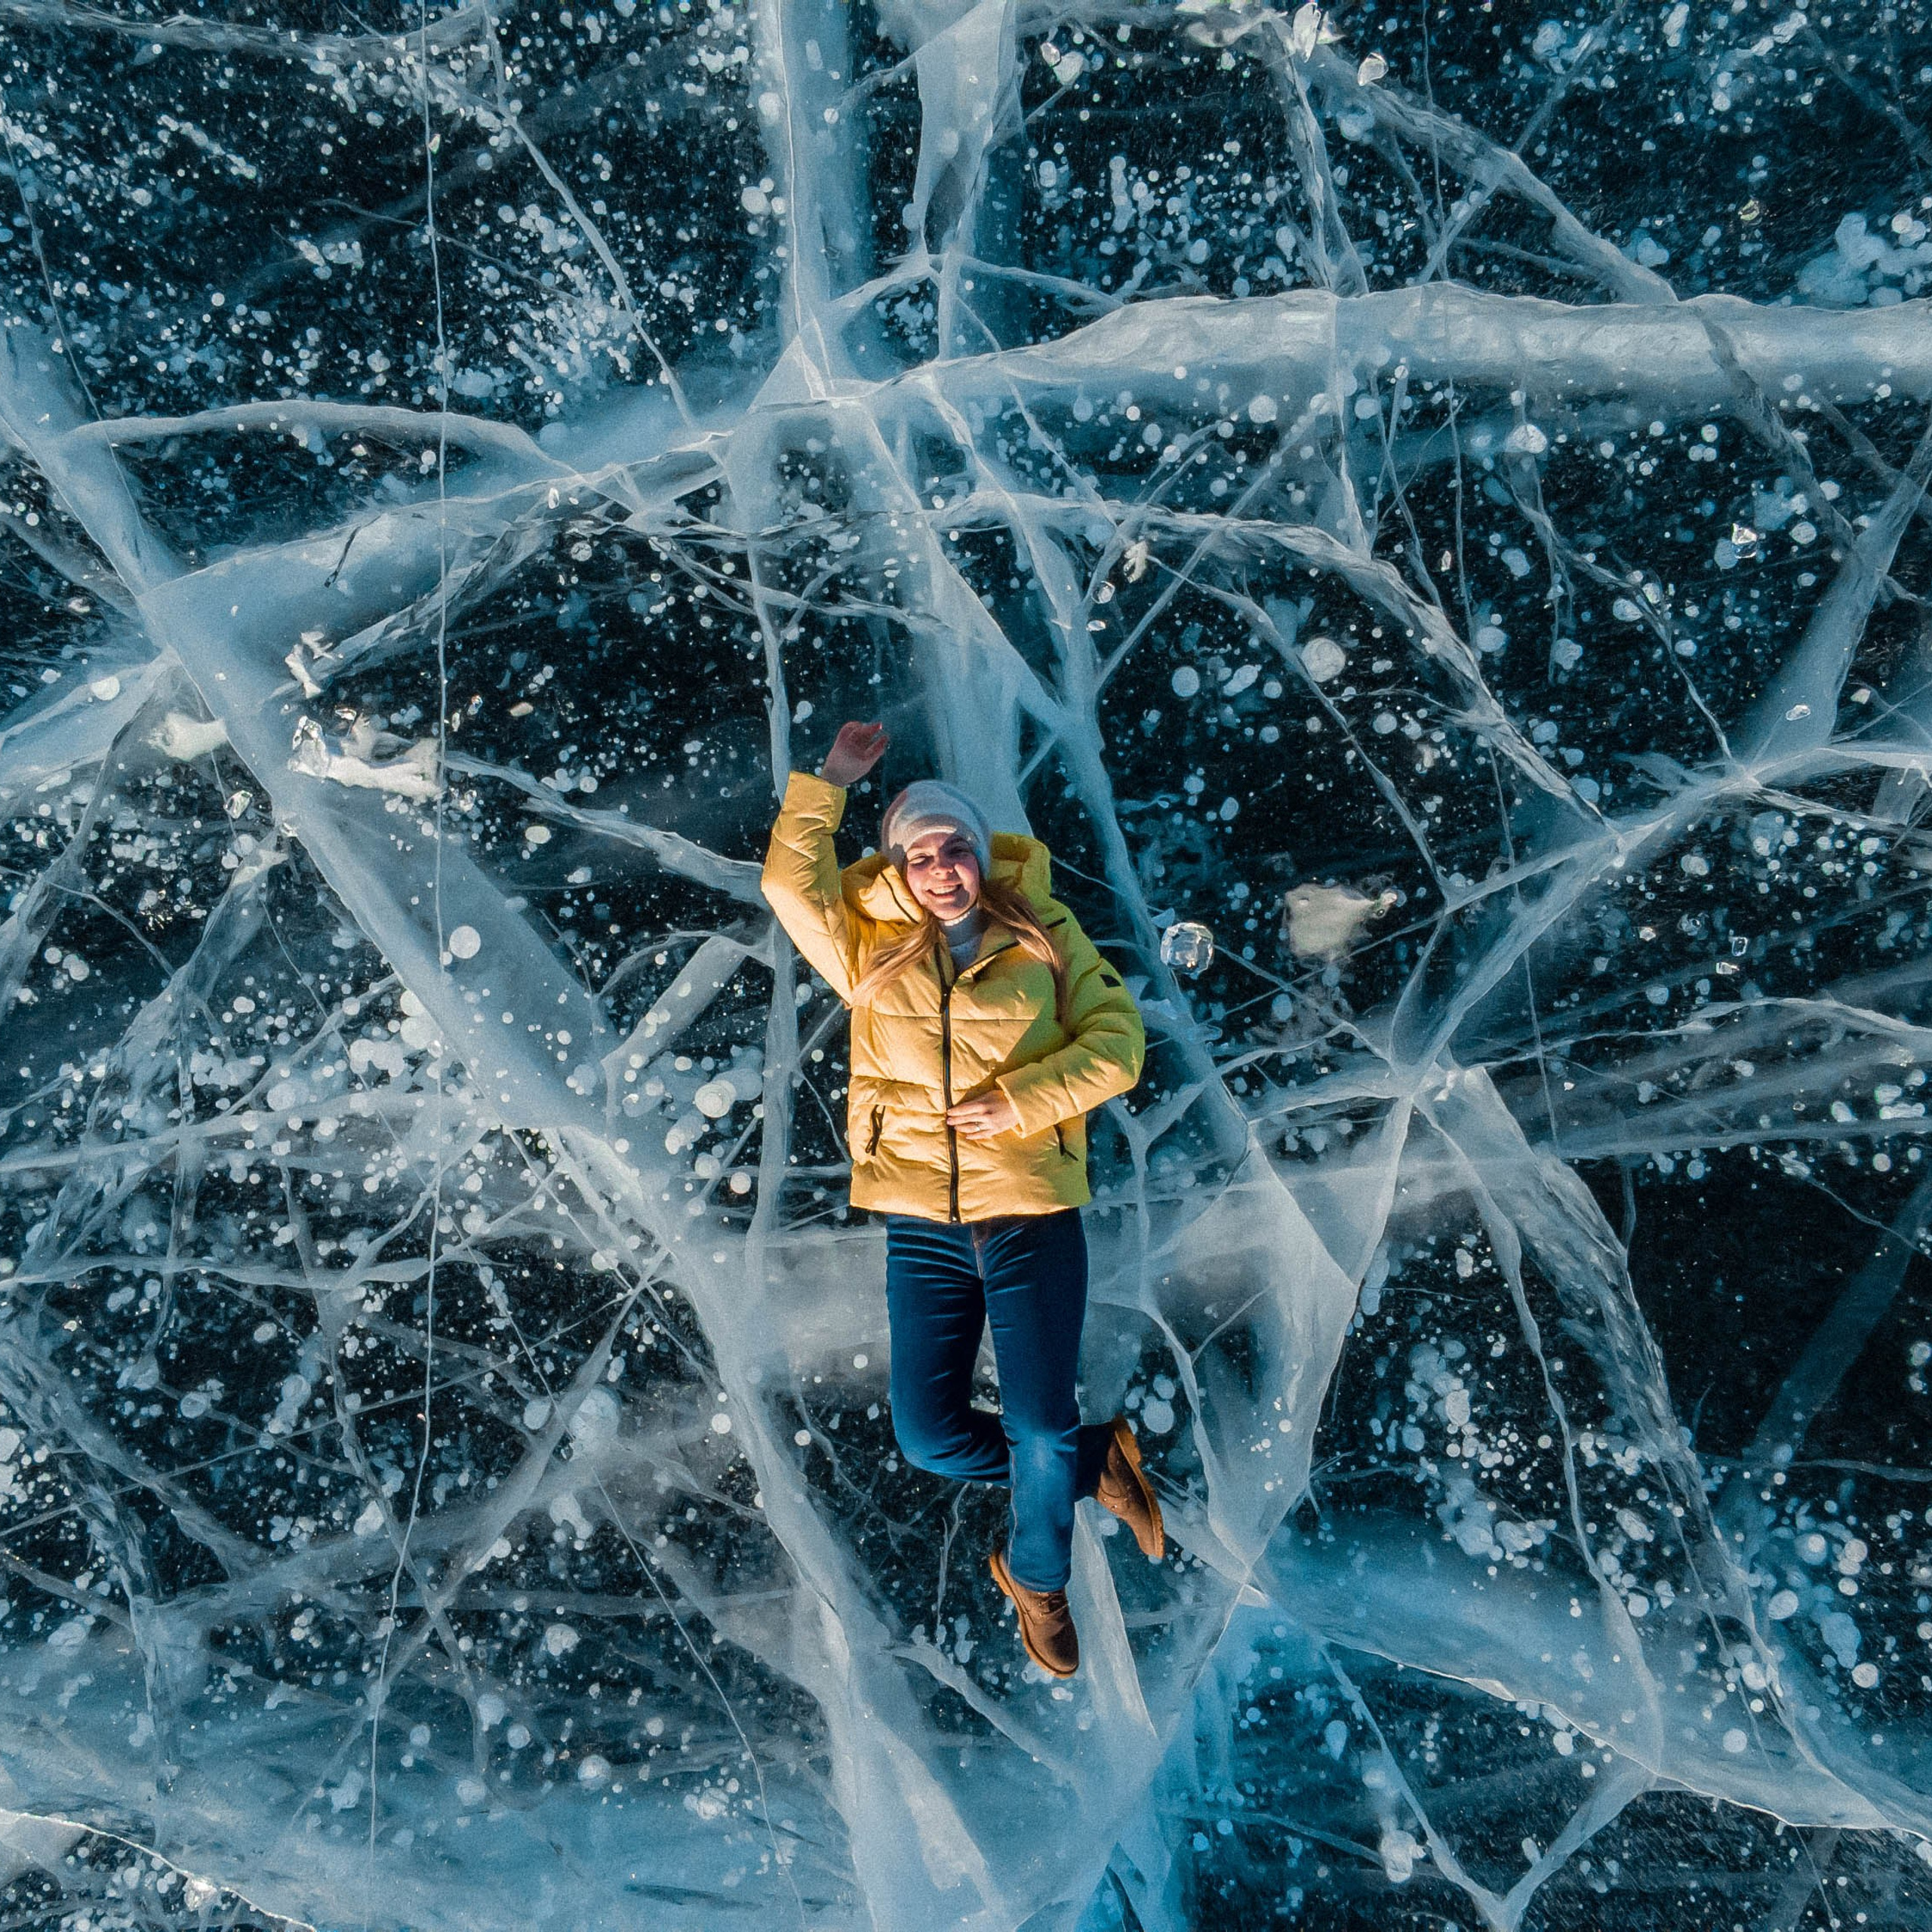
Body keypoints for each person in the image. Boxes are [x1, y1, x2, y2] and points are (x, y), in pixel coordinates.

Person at [760, 719, 1163, 1678]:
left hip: (1028, 1212)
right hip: (921, 1224)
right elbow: (787, 884)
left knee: (1032, 1424)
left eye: (956, 851)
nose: (943, 870)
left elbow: (1119, 1047)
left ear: (980, 856)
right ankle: (1093, 1456)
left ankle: (1038, 1576)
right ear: (898, 867)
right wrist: (831, 784)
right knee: (931, 1436)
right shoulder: (868, 951)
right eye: (921, 856)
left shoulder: (1046, 936)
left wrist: (1023, 1099)